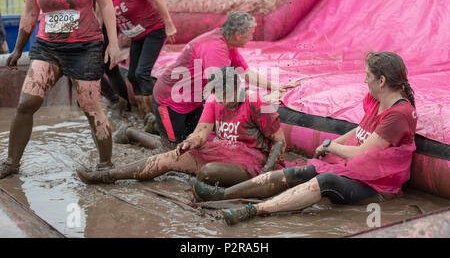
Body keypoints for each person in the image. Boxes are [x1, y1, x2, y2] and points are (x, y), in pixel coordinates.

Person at [191, 52, 418, 225]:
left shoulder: (398, 114)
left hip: (376, 185)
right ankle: (224, 195)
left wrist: (330, 146)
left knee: (326, 180)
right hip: (358, 170)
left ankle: (255, 210)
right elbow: (361, 130)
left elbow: (363, 151)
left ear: (381, 81)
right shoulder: (377, 100)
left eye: (367, 76)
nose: (364, 80)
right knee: (302, 171)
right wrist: (335, 144)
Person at [0, 0, 121, 179]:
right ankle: (12, 162)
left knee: (90, 107)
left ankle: (106, 165)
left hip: (85, 46)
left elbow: (107, 5)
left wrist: (114, 44)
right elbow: (31, 12)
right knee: (27, 103)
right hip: (49, 46)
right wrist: (17, 49)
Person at [76, 66, 303, 186]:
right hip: (221, 148)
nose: (222, 101)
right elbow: (201, 133)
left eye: (226, 97)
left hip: (252, 158)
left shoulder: (256, 103)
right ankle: (109, 175)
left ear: (237, 89)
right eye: (219, 96)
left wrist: (264, 174)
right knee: (168, 158)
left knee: (206, 174)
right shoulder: (215, 101)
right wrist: (189, 142)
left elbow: (279, 142)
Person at [151, 11, 294, 149]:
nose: (251, 38)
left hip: (192, 101)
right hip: (169, 101)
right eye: (251, 34)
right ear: (238, 35)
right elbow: (222, 90)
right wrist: (264, 99)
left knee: (194, 145)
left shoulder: (227, 42)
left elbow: (245, 72)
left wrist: (275, 87)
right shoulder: (215, 49)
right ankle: (137, 134)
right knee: (172, 147)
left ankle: (152, 124)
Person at [98, 0, 177, 117]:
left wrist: (169, 25)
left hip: (154, 30)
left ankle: (163, 110)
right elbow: (101, 21)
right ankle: (145, 115)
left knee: (142, 74)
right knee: (133, 76)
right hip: (137, 36)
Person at [77, 0, 131, 113]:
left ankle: (121, 103)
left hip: (108, 19)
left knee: (101, 64)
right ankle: (120, 102)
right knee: (106, 66)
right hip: (100, 20)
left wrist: (99, 27)